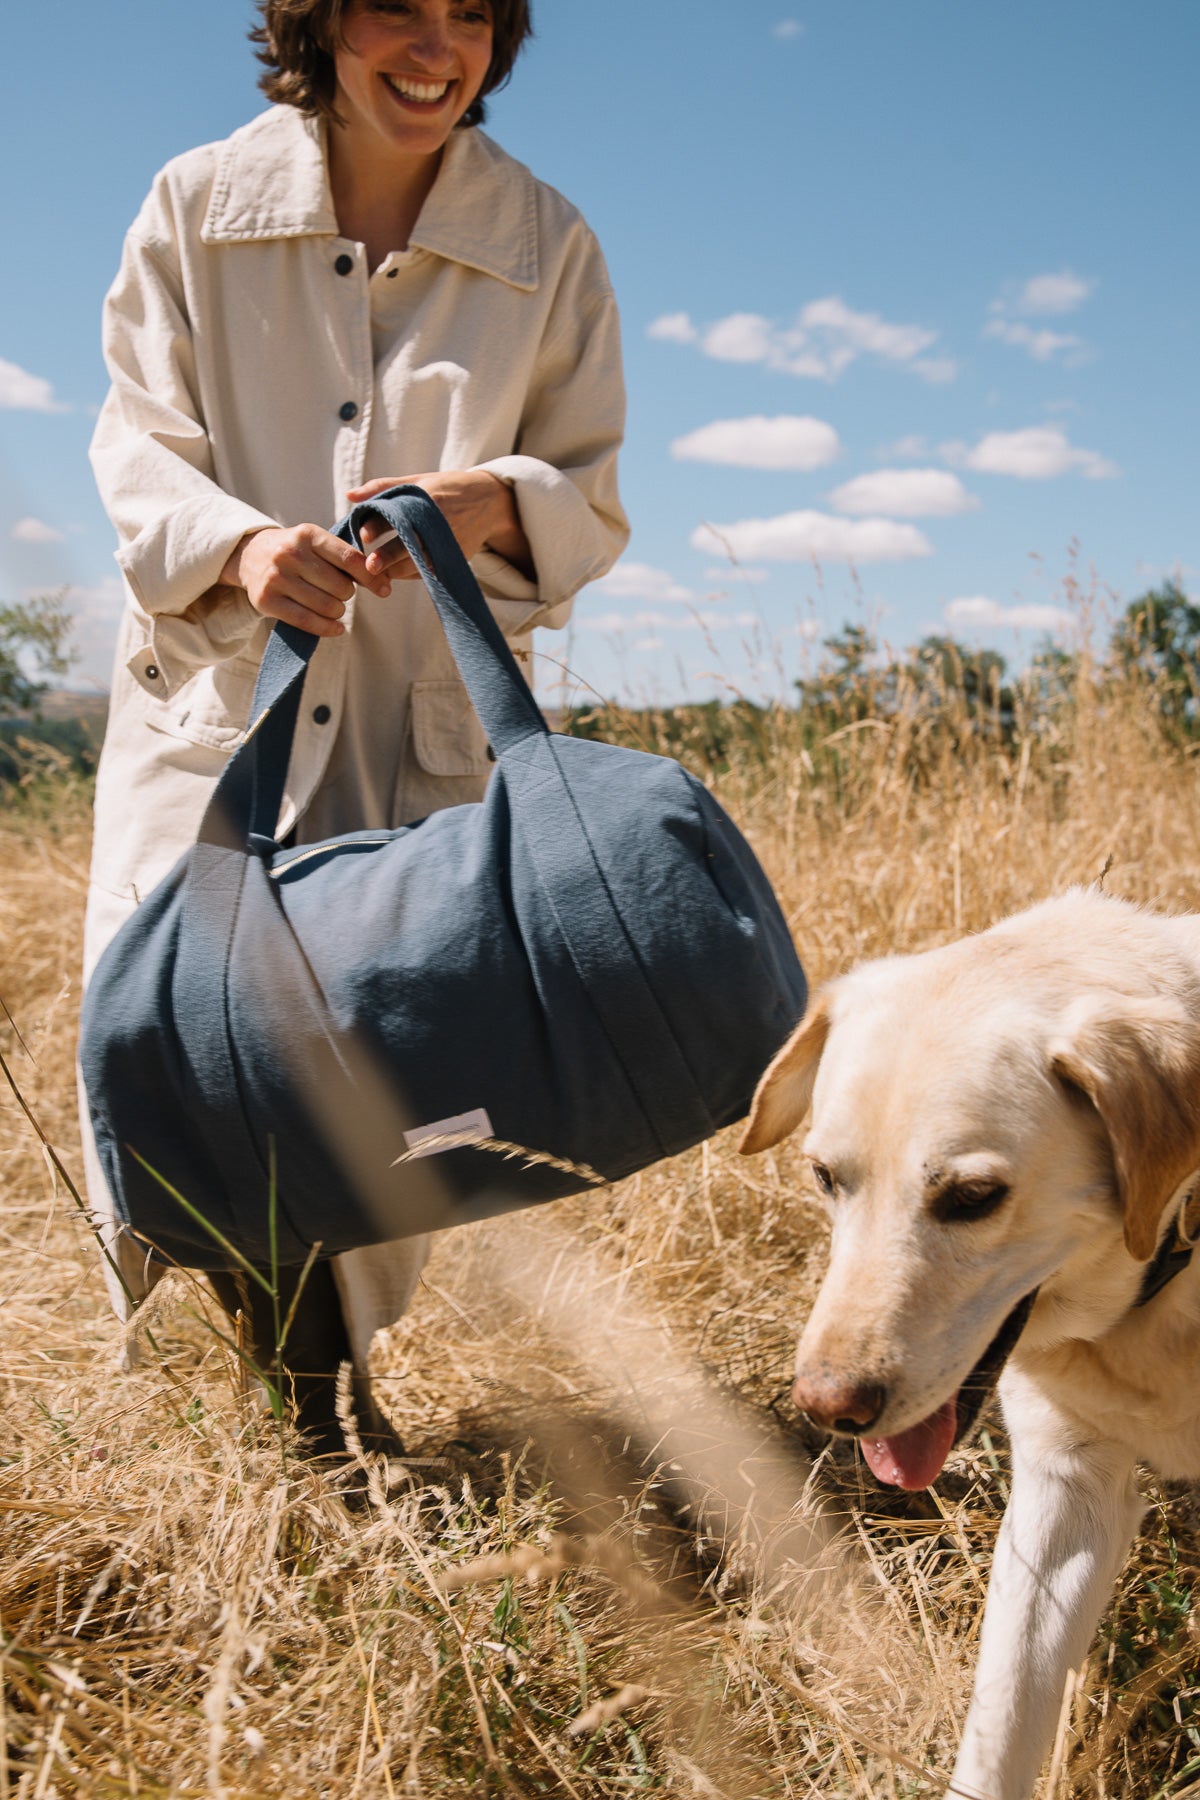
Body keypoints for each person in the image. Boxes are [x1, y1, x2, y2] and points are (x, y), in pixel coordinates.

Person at [81, 0, 629, 1457]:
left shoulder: (547, 244)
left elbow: (589, 492)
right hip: (220, 722)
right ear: (319, 21)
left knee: (409, 1076)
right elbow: (137, 442)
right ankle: (276, 1401)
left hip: (419, 743)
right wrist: (242, 548)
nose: (436, 47)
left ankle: (319, 1389)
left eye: (472, 15)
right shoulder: (196, 207)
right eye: (398, 4)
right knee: (193, 1054)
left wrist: (486, 500)